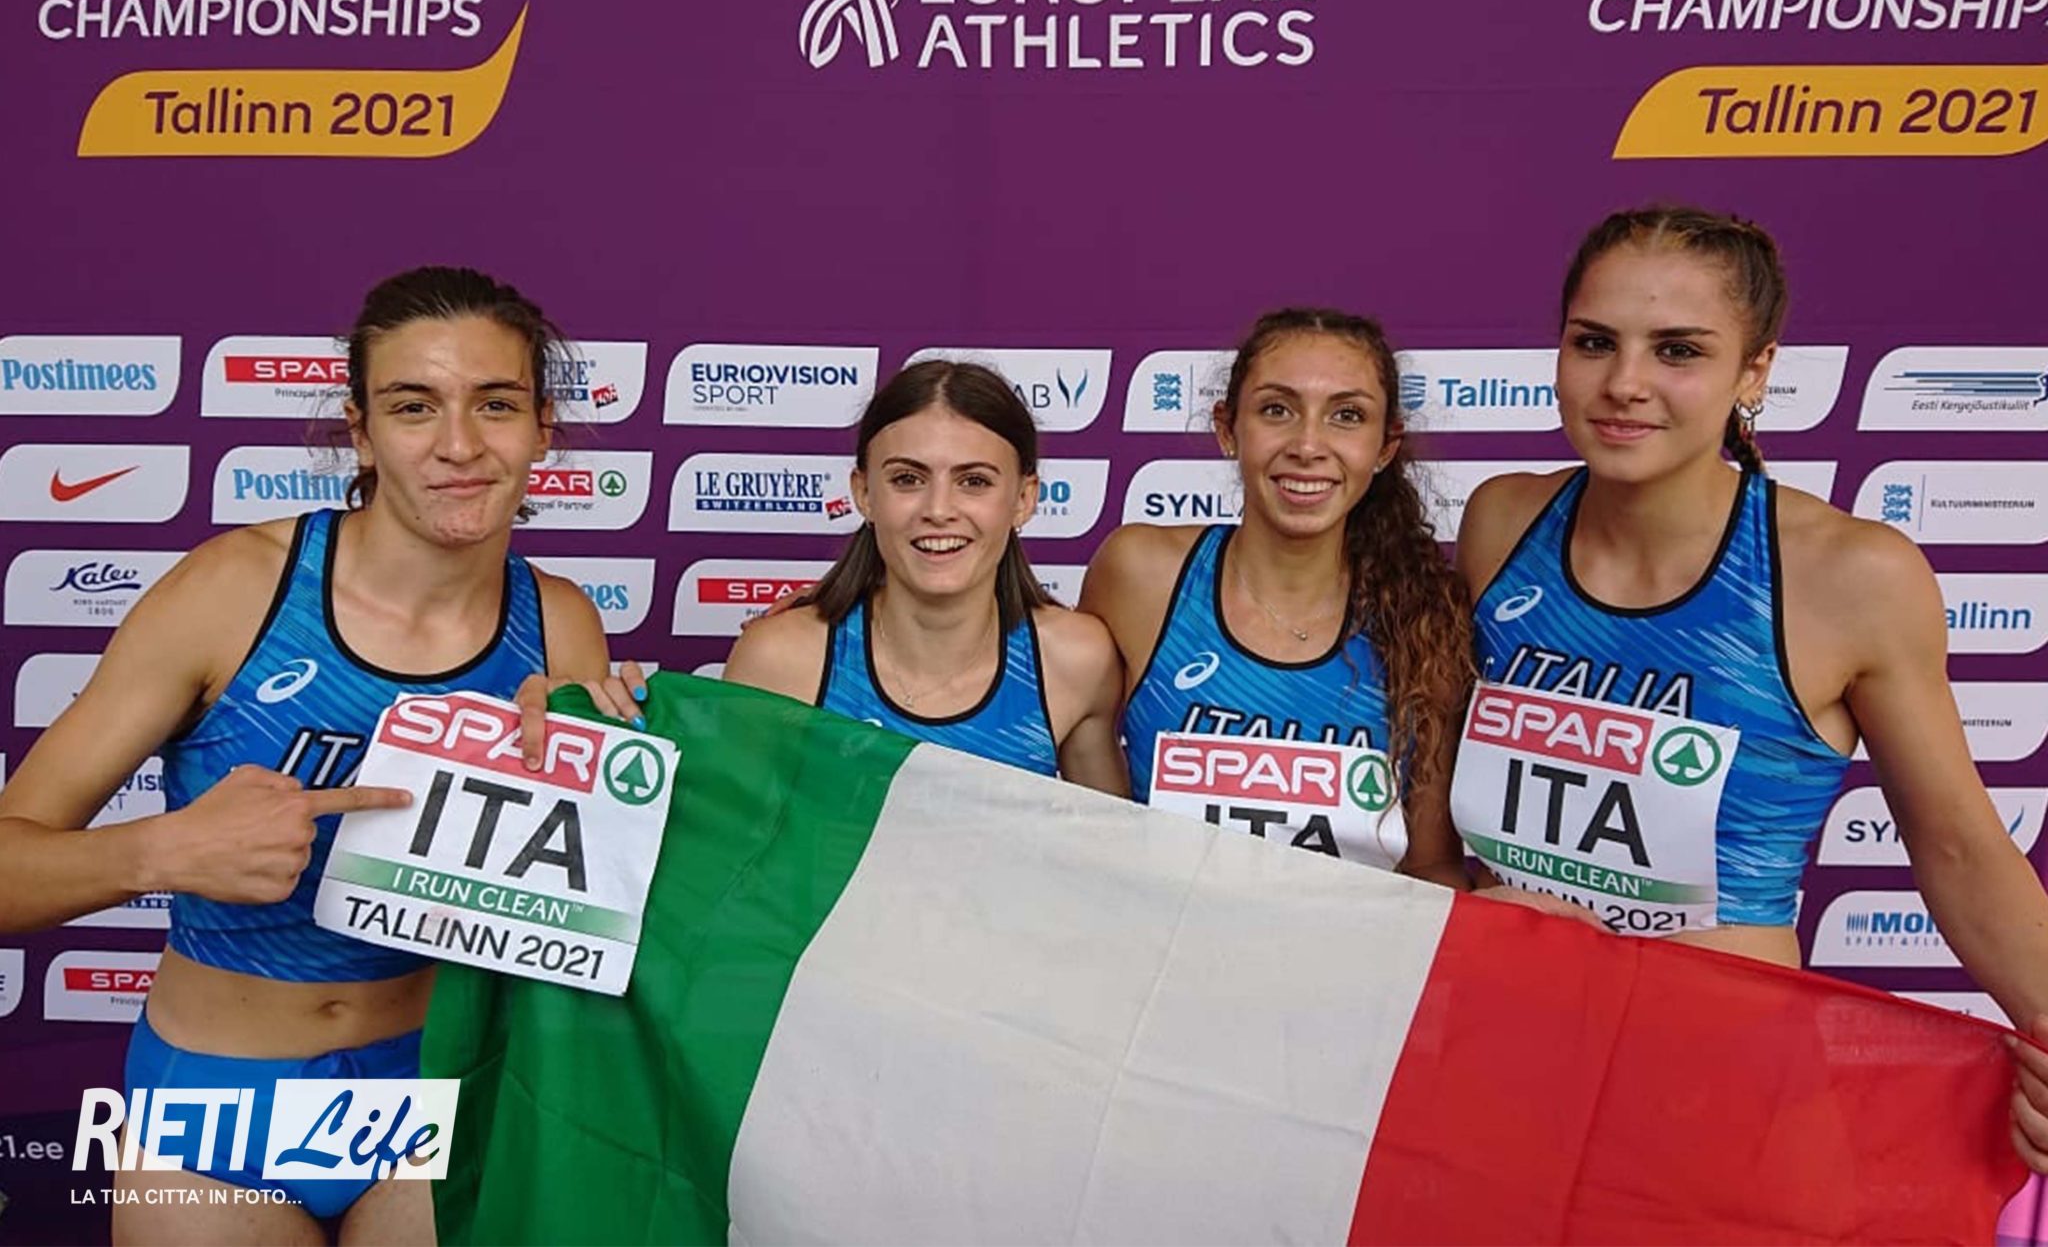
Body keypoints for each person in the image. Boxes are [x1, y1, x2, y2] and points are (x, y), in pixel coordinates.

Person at [0, 267, 611, 1243]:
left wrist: (616, 756)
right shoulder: (232, 591)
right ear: (361, 432)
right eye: (413, 406)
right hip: (218, 1101)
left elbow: (592, 915)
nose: (459, 444)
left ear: (543, 428)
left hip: (433, 1093)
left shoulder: (560, 623)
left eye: (495, 404)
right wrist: (159, 852)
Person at [1451, 204, 2048, 1170]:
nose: (1625, 382)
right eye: (1593, 342)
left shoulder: (1848, 574)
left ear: (1755, 371)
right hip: (1504, 1055)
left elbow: (1958, 847)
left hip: (1718, 1084)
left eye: (1678, 350)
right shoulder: (1501, 522)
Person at [563, 360, 1126, 793]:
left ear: (1024, 498)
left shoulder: (1074, 661)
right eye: (907, 479)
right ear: (863, 493)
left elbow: (1111, 865)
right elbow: (725, 855)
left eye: (974, 481)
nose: (939, 509)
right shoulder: (784, 658)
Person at [1079, 308, 1483, 886]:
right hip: (1163, 940)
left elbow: (1430, 865)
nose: (1308, 445)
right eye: (1277, 410)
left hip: (1349, 944)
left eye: (1346, 416)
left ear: (1385, 447)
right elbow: (1080, 798)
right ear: (1227, 429)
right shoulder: (1143, 575)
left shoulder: (1424, 617)